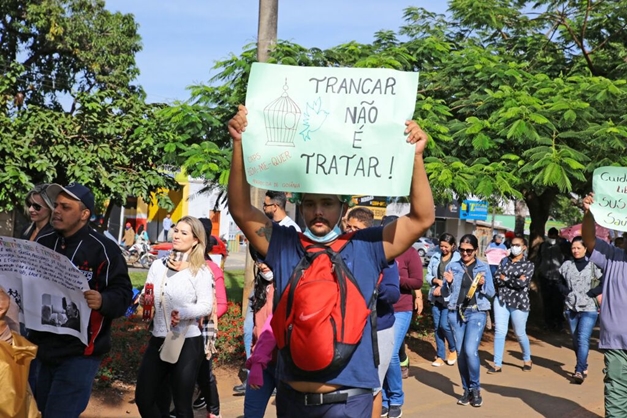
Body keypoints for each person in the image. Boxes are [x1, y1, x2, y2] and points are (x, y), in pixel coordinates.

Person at [227, 104, 434, 417]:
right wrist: (239, 144)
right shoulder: (285, 245)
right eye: (310, 203)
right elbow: (242, 211)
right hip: (291, 399)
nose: (318, 211)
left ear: (344, 206)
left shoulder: (368, 246)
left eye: (326, 203)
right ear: (300, 205)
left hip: (348, 403)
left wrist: (416, 157)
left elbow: (421, 218)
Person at [32, 182, 132, 418]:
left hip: (80, 354)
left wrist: (103, 300)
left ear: (84, 214)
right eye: (55, 205)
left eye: (65, 207)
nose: (57, 211)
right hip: (41, 350)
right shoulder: (43, 242)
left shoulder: (105, 250)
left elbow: (123, 294)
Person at [135, 216, 213, 418]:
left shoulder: (201, 271)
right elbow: (148, 292)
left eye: (184, 233)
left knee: (182, 405)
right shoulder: (158, 265)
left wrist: (184, 313)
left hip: (187, 341)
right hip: (159, 338)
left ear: (196, 240)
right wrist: (144, 299)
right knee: (144, 398)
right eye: (176, 230)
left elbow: (206, 306)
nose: (177, 235)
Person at [237, 191, 302, 394]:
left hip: (279, 290)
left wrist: (271, 269)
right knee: (251, 330)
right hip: (261, 289)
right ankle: (253, 374)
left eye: (265, 205)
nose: (263, 209)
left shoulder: (291, 230)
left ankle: (274, 377)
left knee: (271, 333)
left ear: (275, 206)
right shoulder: (265, 228)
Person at [345, 208, 400, 418]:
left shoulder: (383, 254)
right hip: (350, 329)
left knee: (372, 386)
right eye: (348, 226)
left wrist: (374, 287)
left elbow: (394, 293)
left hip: (380, 329)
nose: (350, 230)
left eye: (356, 228)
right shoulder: (340, 251)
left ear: (368, 230)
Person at [581, 193, 627, 415]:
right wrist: (588, 213)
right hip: (617, 342)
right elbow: (589, 240)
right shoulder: (612, 256)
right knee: (616, 395)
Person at [443, 234, 495, 408]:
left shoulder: (483, 267)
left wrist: (483, 284)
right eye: (462, 250)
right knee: (460, 353)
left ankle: (476, 389)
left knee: (470, 350)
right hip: (455, 313)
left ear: (476, 250)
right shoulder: (453, 266)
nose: (465, 253)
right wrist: (447, 283)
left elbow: (491, 292)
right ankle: (466, 390)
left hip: (476, 312)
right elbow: (444, 293)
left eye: (469, 251)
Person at [380, 215, 423, 418]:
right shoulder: (378, 251)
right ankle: (385, 400)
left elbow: (417, 281)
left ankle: (396, 398)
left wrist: (397, 279)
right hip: (380, 309)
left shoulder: (410, 252)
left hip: (401, 309)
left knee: (392, 354)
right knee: (380, 355)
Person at [558, 235, 603, 384]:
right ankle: (583, 364)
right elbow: (559, 281)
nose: (576, 251)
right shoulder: (566, 266)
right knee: (576, 339)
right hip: (571, 307)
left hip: (589, 308)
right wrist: (565, 291)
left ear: (585, 249)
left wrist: (593, 293)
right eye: (573, 248)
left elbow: (604, 281)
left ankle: (579, 370)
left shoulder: (594, 265)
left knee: (583, 339)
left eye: (578, 248)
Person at [488, 234, 535, 374]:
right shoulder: (503, 261)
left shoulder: (528, 265)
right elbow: (497, 278)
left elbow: (522, 283)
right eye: (512, 244)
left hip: (519, 302)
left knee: (519, 333)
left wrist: (506, 278)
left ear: (524, 247)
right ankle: (497, 364)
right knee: (500, 331)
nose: (514, 247)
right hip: (501, 299)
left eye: (517, 245)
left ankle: (527, 359)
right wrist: (512, 279)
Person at [243, 248, 281, 418]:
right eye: (257, 260)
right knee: (251, 413)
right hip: (261, 365)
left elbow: (273, 325)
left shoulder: (288, 286)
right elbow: (254, 328)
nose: (261, 265)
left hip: (285, 366)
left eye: (265, 259)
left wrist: (257, 361)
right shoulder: (260, 287)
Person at [426, 233, 459, 367]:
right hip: (436, 297)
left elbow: (457, 278)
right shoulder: (435, 256)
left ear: (452, 246)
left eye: (446, 246)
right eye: (441, 246)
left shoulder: (457, 259)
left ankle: (453, 348)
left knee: (444, 325)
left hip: (449, 298)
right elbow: (428, 275)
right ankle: (440, 356)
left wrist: (443, 285)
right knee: (436, 327)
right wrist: (435, 280)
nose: (443, 249)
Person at [537, 227, 570, 332]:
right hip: (545, 277)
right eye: (550, 236)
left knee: (558, 302)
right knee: (547, 301)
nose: (551, 238)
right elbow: (539, 259)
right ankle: (548, 323)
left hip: (558, 278)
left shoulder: (562, 245)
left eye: (553, 236)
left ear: (557, 236)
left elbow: (567, 259)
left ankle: (559, 323)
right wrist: (538, 272)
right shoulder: (543, 246)